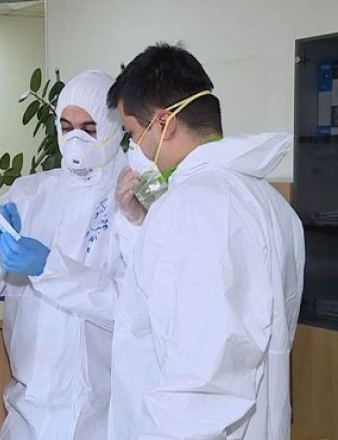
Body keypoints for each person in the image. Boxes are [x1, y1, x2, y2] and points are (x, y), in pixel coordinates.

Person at [106, 43, 305, 439]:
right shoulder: (271, 204)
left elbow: (201, 385)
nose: (135, 149)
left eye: (133, 133)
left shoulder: (191, 208)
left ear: (164, 123)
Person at [0, 70, 128, 439]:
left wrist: (50, 269)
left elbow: (135, 306)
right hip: (28, 409)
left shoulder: (132, 201)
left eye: (89, 128)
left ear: (115, 127)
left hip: (104, 413)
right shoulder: (30, 193)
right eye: (66, 127)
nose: (75, 139)